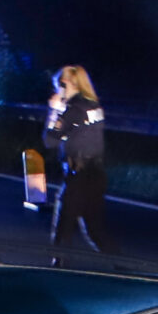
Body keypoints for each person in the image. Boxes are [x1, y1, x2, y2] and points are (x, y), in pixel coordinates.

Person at [43, 65, 113, 251]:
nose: (56, 91)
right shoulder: (94, 106)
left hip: (79, 175)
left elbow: (50, 141)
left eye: (57, 87)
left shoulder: (73, 110)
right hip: (96, 174)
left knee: (63, 229)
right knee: (95, 230)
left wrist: (55, 111)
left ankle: (57, 270)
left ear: (65, 83)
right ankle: (126, 271)